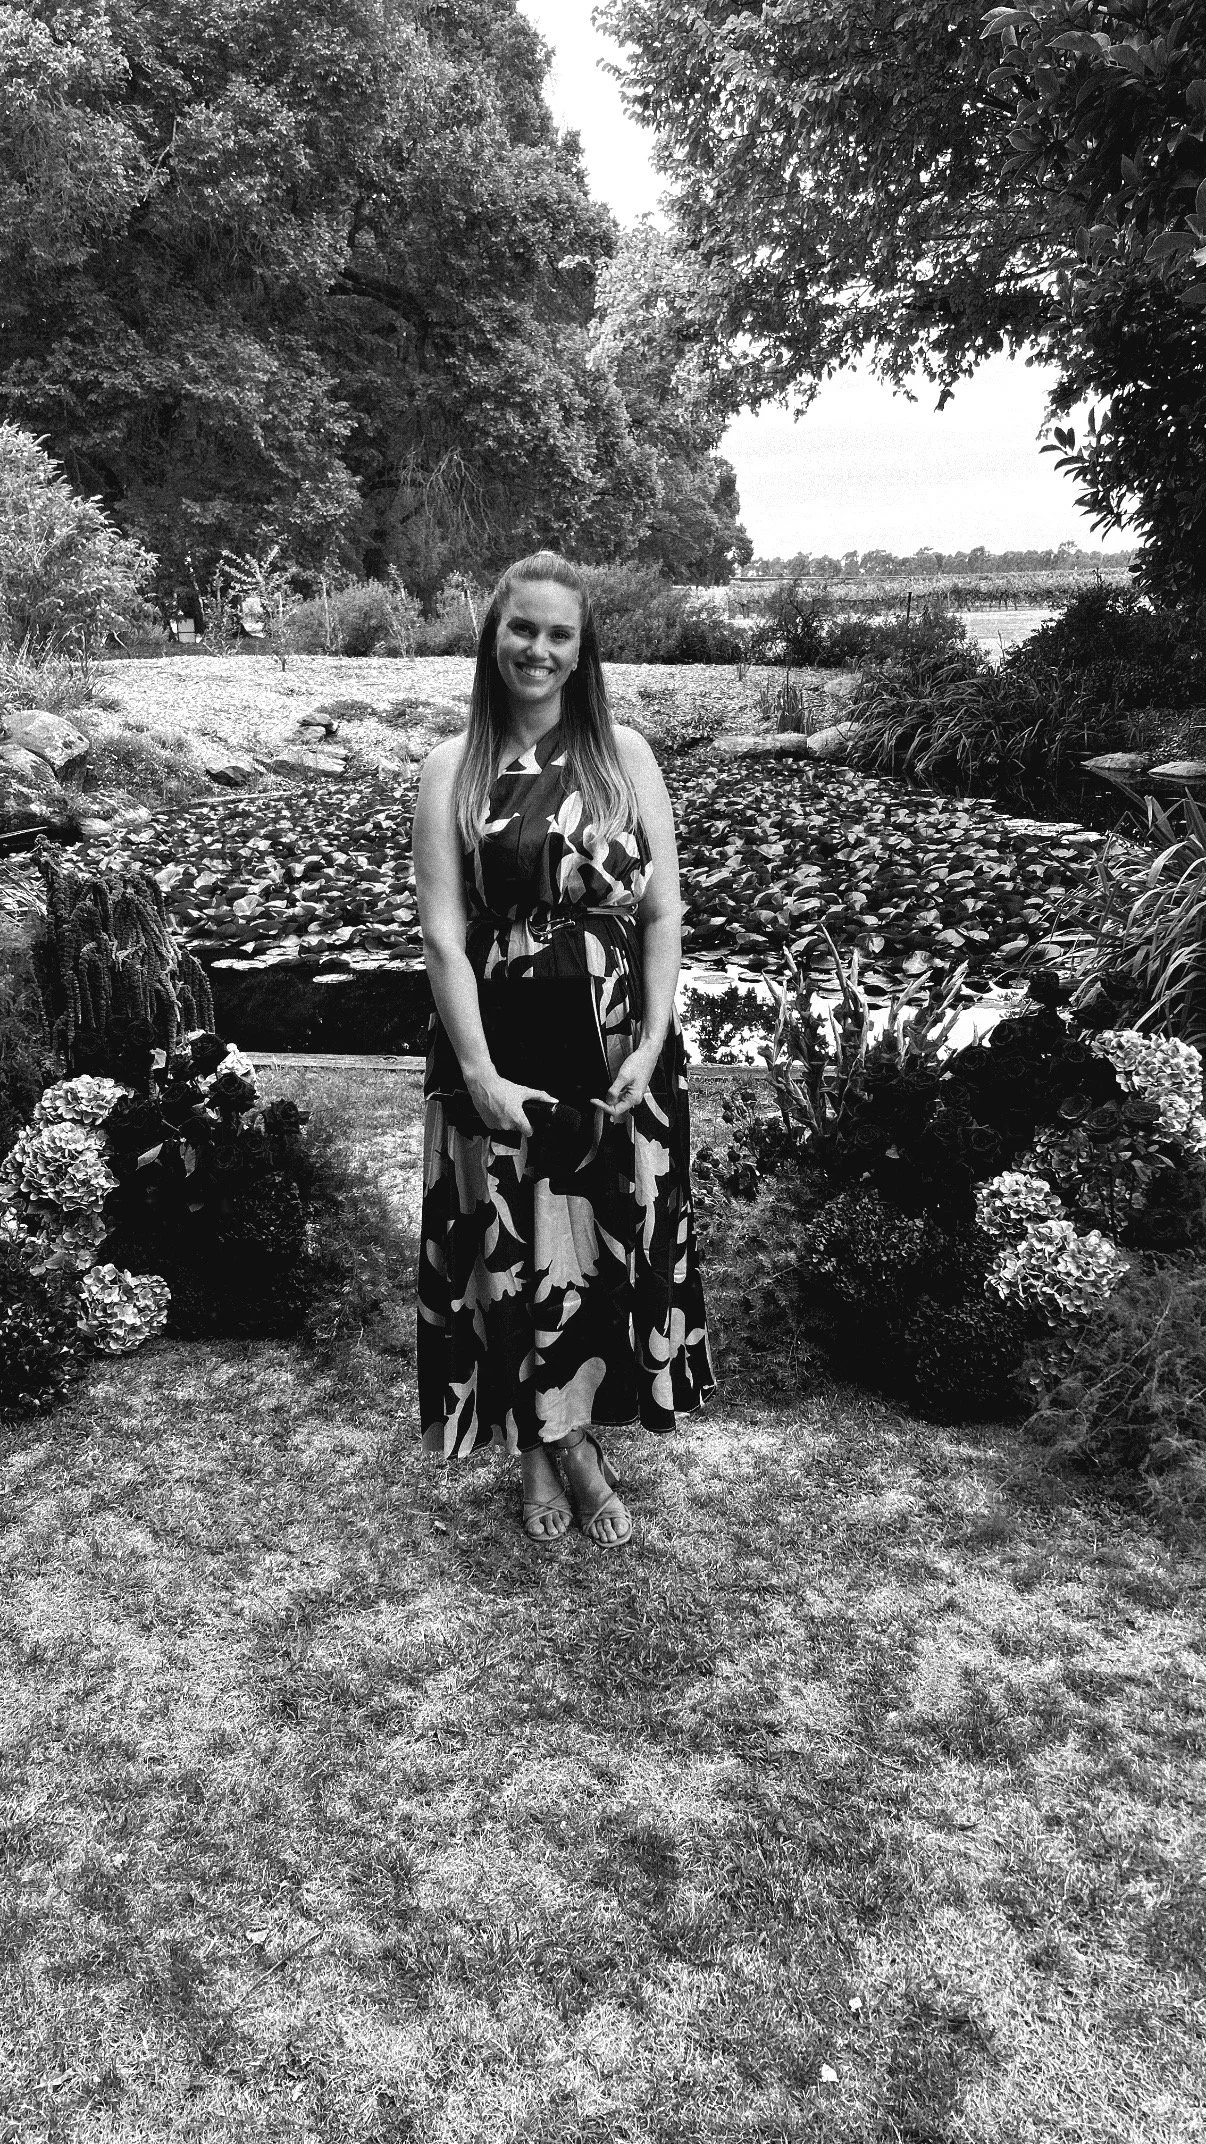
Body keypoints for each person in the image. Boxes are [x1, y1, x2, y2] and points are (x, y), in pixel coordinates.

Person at [412, 550, 714, 1546]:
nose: (537, 648)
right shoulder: (452, 767)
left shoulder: (625, 755)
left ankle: (564, 1440)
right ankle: (556, 1452)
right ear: (493, 633)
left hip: (620, 1045)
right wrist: (479, 1071)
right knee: (517, 1251)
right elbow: (444, 936)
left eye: (559, 634)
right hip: (497, 1043)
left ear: (583, 652)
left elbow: (665, 911)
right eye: (521, 627)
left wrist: (656, 1038)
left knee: (597, 1245)